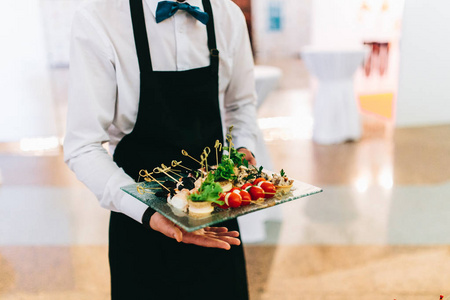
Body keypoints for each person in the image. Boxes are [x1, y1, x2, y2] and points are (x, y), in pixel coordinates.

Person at [63, 0, 258, 299]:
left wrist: (243, 151)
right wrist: (149, 211)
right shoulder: (99, 19)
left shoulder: (227, 14)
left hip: (216, 217)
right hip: (139, 220)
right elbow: (82, 146)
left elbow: (241, 104)